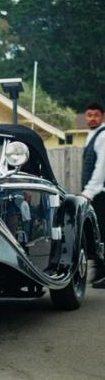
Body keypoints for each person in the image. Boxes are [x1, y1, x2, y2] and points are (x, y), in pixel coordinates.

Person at [81, 102, 105, 288]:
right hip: (96, 193)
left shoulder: (103, 135)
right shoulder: (92, 135)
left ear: (102, 116)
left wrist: (89, 191)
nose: (92, 118)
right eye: (89, 115)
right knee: (98, 234)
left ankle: (102, 274)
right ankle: (99, 273)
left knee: (102, 234)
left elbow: (101, 167)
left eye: (96, 115)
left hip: (100, 193)